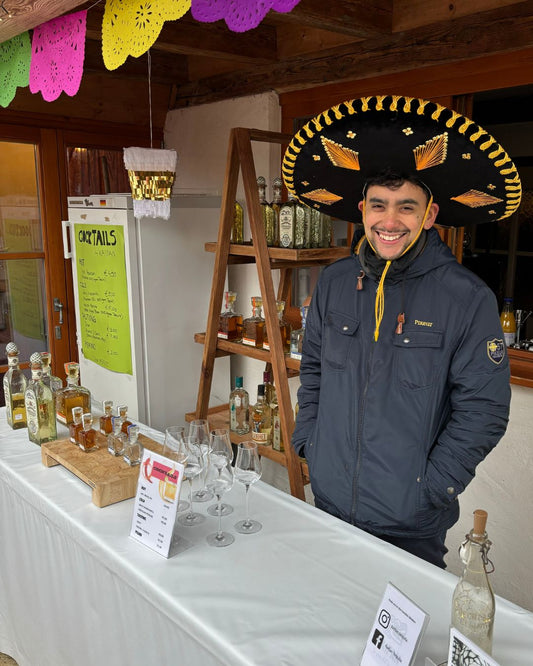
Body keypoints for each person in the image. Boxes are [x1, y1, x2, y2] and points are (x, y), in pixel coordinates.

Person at [282, 95, 521, 568]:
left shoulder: (466, 299)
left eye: (406, 208)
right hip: (327, 501)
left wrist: (430, 489)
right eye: (379, 206)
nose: (390, 222)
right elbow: (313, 372)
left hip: (409, 527)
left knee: (399, 641)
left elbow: (485, 410)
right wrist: (308, 440)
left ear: (429, 215)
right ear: (362, 210)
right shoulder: (333, 283)